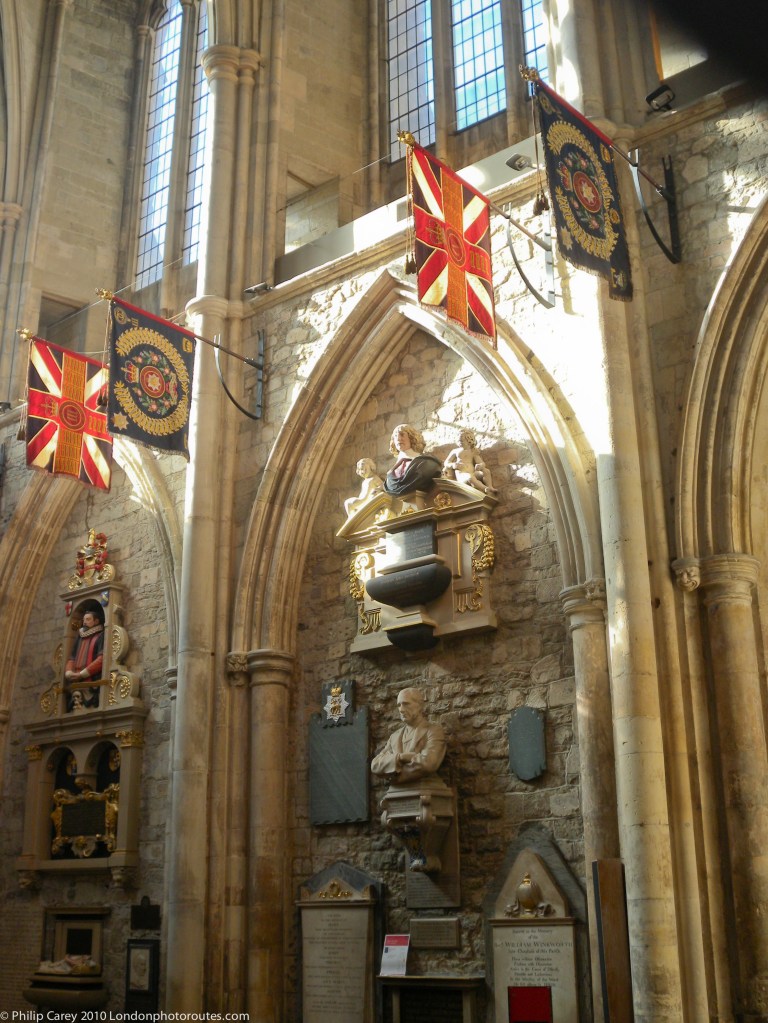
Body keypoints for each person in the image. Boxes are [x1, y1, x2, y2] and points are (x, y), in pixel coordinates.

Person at [371, 688, 447, 785]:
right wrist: (401, 757)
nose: (401, 709)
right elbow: (375, 765)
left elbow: (429, 764)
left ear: (420, 706)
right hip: (396, 793)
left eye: (406, 704)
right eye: (399, 705)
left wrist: (394, 771)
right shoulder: (394, 737)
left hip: (424, 789)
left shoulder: (433, 731)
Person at [382, 424, 442, 497]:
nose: (398, 439)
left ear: (412, 437)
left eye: (402, 435)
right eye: (395, 436)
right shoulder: (391, 474)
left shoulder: (427, 464)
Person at [65, 608, 104, 710]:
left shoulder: (100, 636)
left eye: (88, 619)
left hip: (91, 682)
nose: (85, 622)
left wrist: (82, 674)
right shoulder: (80, 636)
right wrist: (69, 672)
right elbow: (72, 657)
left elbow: (101, 659)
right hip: (75, 683)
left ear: (96, 621)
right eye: (84, 620)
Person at [442, 428, 495, 493]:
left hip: (473, 472)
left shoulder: (473, 451)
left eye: (462, 441)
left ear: (469, 441)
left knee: (486, 471)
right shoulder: (455, 451)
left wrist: (480, 466)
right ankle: (485, 488)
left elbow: (481, 462)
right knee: (470, 477)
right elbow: (446, 462)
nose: (460, 443)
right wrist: (453, 465)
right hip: (461, 474)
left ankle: (490, 486)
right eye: (459, 441)